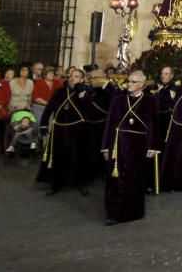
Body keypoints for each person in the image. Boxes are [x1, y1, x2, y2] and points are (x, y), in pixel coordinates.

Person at [101, 71, 161, 225]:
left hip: (138, 145)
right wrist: (105, 147)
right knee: (114, 180)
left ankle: (132, 212)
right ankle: (112, 213)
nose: (129, 84)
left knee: (135, 179)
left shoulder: (150, 101)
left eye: (133, 82)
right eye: (128, 81)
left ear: (142, 84)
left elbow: (154, 125)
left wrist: (153, 146)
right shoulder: (118, 100)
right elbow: (110, 123)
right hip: (117, 144)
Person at [37, 67, 95, 196]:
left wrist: (82, 93)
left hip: (77, 131)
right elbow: (49, 108)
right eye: (71, 76)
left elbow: (89, 108)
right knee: (58, 157)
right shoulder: (59, 92)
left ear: (82, 79)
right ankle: (55, 184)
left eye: (76, 76)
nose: (72, 78)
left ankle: (82, 183)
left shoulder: (86, 92)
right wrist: (43, 124)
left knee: (79, 158)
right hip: (60, 130)